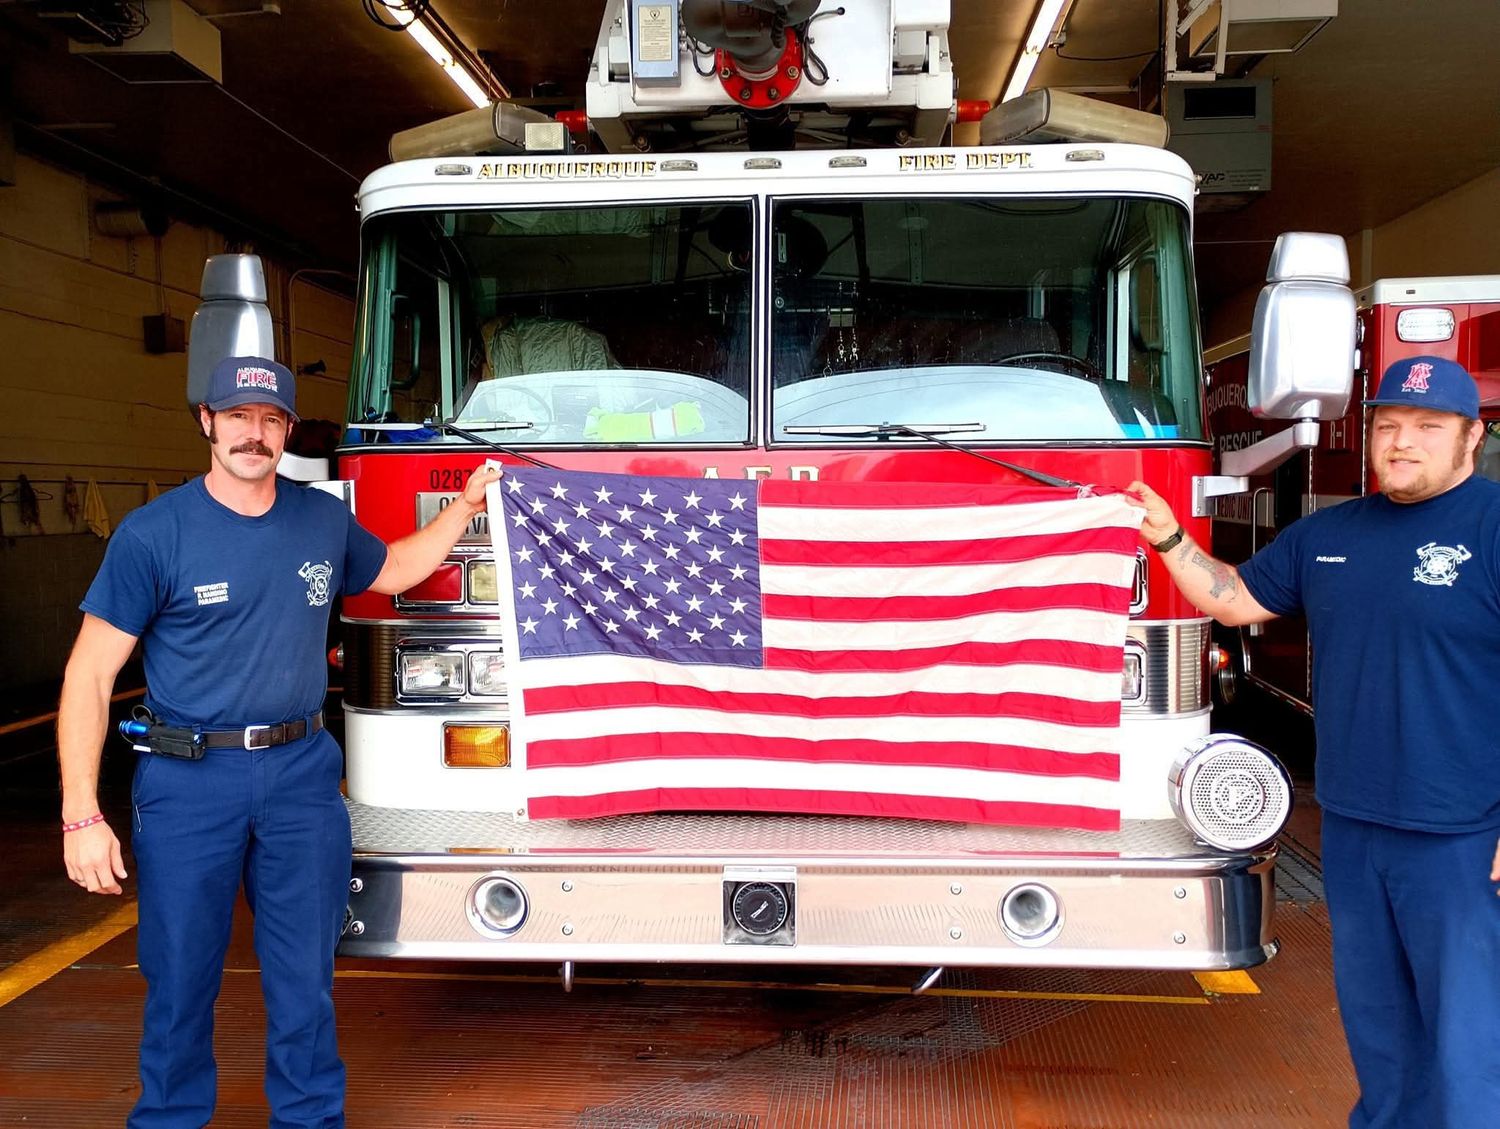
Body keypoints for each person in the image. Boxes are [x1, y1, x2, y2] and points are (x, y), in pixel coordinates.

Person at [57, 355, 501, 1129]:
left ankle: (308, 1119)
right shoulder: (153, 535)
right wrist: (79, 814)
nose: (252, 434)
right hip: (189, 782)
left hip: (300, 779)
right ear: (206, 421)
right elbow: (90, 675)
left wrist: (461, 510)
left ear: (289, 430)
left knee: (304, 980)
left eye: (269, 420)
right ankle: (167, 1118)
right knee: (180, 979)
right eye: (236, 417)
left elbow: (395, 568)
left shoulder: (321, 520)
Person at [1129, 354, 1500, 1129]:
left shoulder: (1492, 528)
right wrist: (1168, 540)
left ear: (1472, 439)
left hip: (1464, 832)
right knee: (1377, 1022)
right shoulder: (1329, 535)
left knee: (1471, 1037)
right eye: (1389, 426)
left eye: (1429, 428)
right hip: (1356, 821)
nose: (1403, 443)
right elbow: (1233, 601)